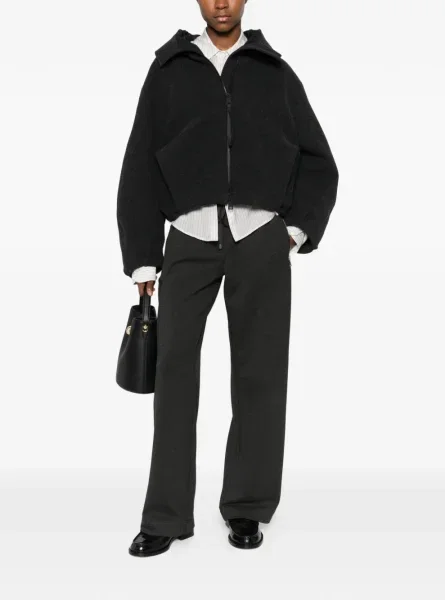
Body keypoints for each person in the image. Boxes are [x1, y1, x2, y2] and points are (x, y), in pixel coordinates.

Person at [117, 0, 338, 557]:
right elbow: (139, 162)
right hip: (188, 239)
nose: (221, 3)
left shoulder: (274, 71)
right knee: (173, 377)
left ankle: (247, 506)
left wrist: (293, 232)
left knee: (261, 375)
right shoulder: (168, 70)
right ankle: (166, 516)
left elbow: (318, 160)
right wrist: (143, 257)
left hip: (259, 239)